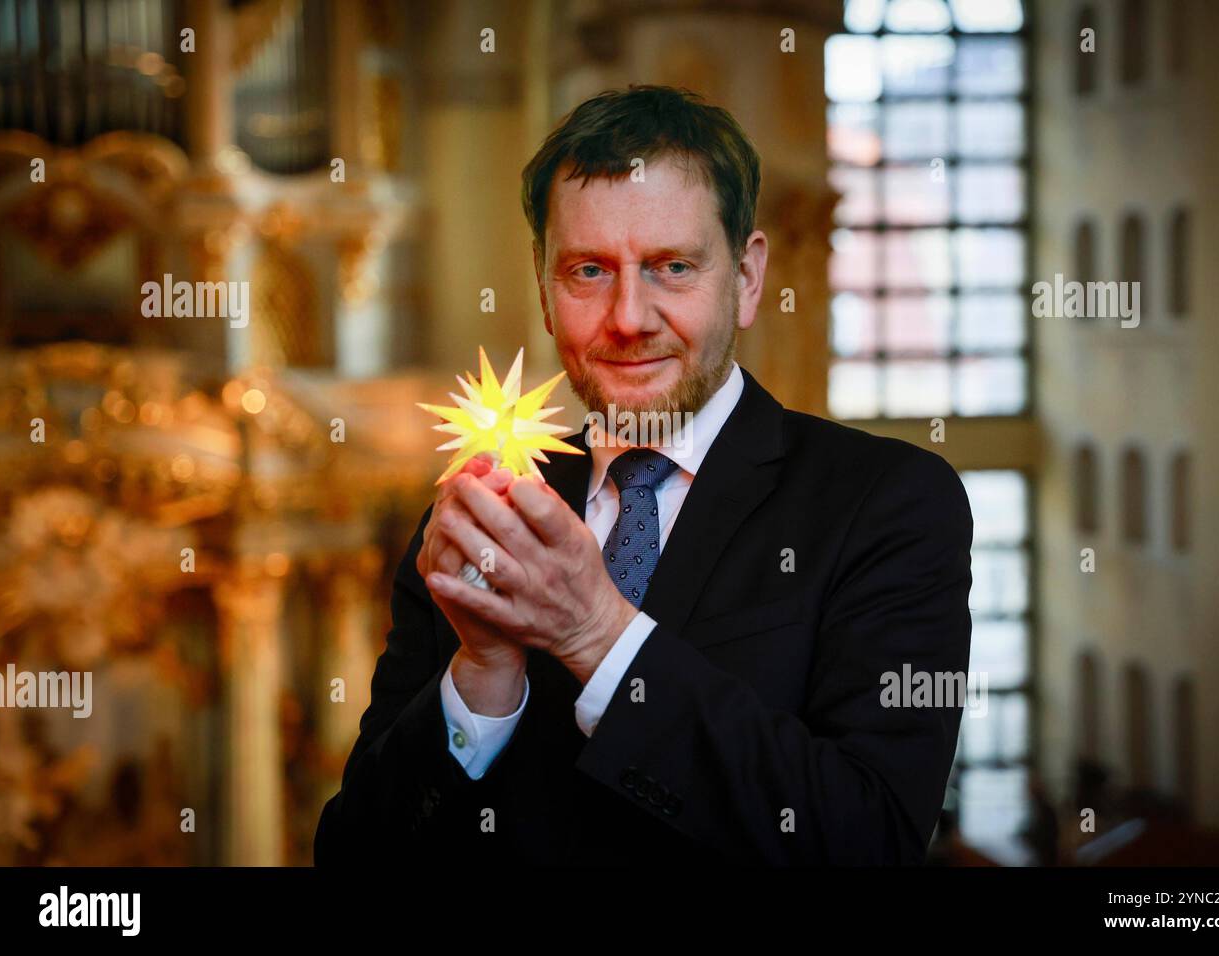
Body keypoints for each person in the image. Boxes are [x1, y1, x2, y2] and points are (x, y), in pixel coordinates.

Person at [314, 85, 973, 865]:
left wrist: (597, 634)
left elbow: (869, 840)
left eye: (672, 267)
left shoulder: (888, 504)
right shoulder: (480, 514)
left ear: (749, 276)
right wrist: (480, 676)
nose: (628, 317)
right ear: (543, 286)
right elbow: (355, 857)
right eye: (589, 270)